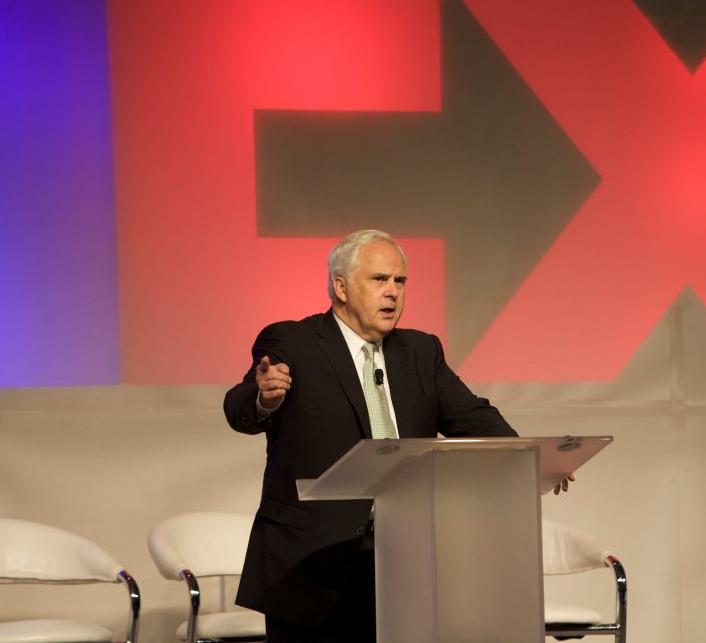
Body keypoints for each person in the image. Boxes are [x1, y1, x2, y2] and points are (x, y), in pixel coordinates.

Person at [224, 229, 571, 642]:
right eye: (379, 280)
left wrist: (529, 458)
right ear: (341, 287)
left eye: (400, 281)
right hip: (313, 560)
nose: (392, 292)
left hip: (405, 556)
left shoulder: (421, 352)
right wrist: (264, 398)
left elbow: (473, 416)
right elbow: (240, 406)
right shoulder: (293, 341)